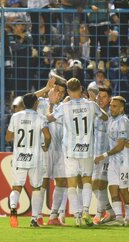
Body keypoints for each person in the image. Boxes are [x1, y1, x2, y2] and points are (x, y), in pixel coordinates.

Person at [47, 78, 108, 227]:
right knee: (87, 180)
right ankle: (86, 210)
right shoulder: (91, 105)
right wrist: (93, 101)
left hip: (70, 150)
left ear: (68, 91)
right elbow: (105, 117)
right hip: (87, 149)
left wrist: (50, 103)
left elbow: (49, 118)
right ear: (81, 88)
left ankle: (77, 216)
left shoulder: (64, 107)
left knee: (72, 184)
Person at [6, 92, 50, 228]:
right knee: (36, 188)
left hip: (19, 158)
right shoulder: (40, 118)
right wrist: (45, 146)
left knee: (16, 187)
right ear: (36, 103)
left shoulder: (15, 116)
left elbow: (8, 137)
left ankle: (13, 209)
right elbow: (47, 136)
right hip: (35, 158)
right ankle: (34, 219)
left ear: (24, 104)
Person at [94, 96, 129, 226]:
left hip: (124, 161)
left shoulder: (123, 120)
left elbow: (120, 145)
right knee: (112, 189)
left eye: (114, 106)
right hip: (113, 161)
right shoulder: (111, 120)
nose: (111, 108)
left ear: (121, 108)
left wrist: (103, 155)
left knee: (123, 190)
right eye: (111, 105)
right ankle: (118, 218)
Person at [40, 75, 69, 226]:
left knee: (62, 181)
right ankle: (37, 215)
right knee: (43, 182)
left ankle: (53, 217)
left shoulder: (64, 108)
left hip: (60, 149)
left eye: (62, 92)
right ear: (51, 89)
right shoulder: (40, 103)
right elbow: (26, 100)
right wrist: (46, 89)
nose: (59, 94)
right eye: (57, 90)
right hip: (44, 149)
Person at [91, 86, 116, 225]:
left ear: (110, 99)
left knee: (98, 185)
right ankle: (109, 212)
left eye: (104, 96)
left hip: (107, 156)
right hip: (95, 155)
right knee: (97, 186)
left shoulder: (111, 114)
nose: (100, 99)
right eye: (98, 96)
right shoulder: (95, 113)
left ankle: (100, 214)